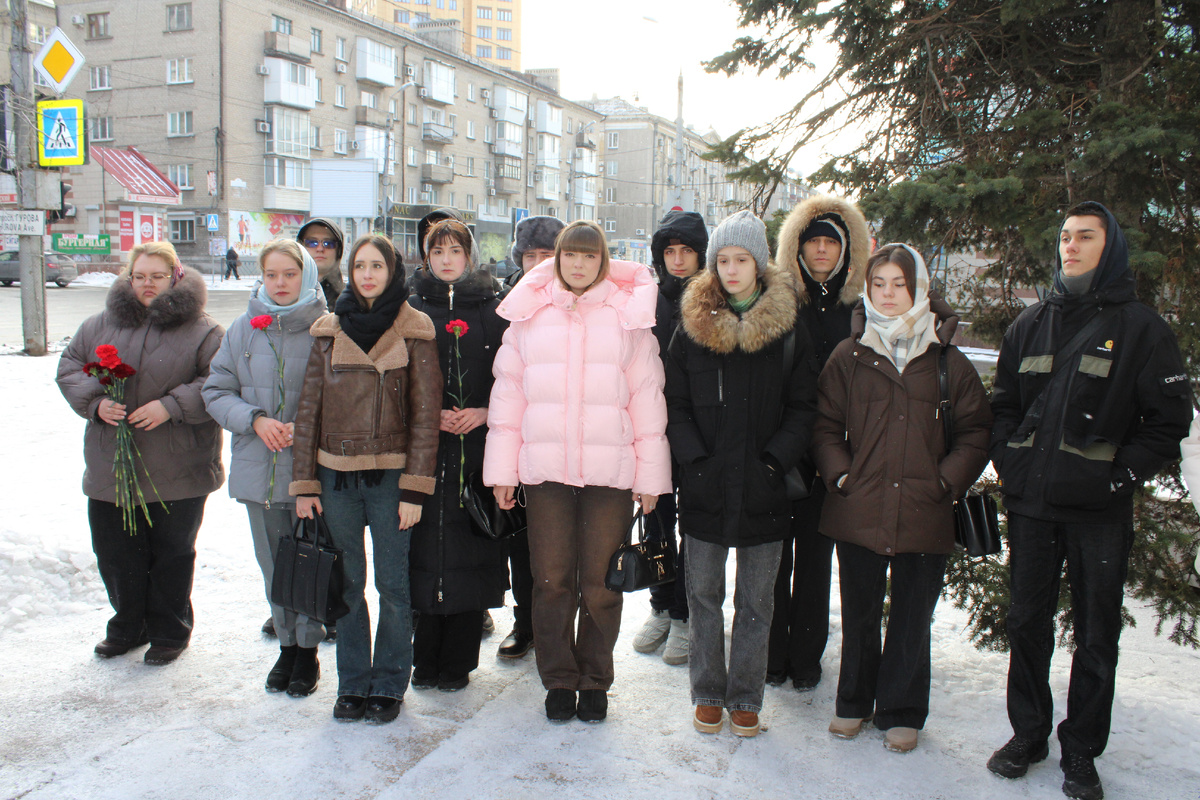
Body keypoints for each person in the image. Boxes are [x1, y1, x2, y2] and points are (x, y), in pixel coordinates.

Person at [986, 202, 1191, 800]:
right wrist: (1011, 460)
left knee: (1097, 635)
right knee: (1027, 625)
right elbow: (1002, 405)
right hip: (1031, 507)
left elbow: (1168, 421)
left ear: (1111, 246)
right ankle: (1028, 735)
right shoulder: (1030, 324)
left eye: (1085, 237)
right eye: (1065, 237)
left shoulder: (1142, 328)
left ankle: (1081, 750)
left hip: (1099, 513)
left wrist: (1118, 478)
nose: (1070, 247)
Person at [485, 220, 671, 723]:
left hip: (609, 475)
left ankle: (595, 678)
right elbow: (508, 398)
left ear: (603, 261)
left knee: (600, 583)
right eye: (572, 255)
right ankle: (559, 678)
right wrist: (503, 471)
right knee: (550, 581)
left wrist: (651, 480)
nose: (580, 264)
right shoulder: (530, 314)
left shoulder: (628, 316)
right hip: (546, 474)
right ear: (558, 260)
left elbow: (647, 400)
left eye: (591, 256)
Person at [812, 243, 991, 753]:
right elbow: (823, 425)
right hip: (859, 506)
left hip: (923, 509)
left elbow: (977, 431)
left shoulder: (946, 358)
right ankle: (853, 702)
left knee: (913, 616)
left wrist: (943, 483)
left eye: (899, 284)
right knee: (860, 613)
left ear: (919, 289)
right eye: (879, 284)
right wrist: (841, 476)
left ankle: (902, 709)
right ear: (867, 290)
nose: (889, 295)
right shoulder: (848, 355)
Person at [665, 209, 818, 738]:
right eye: (723, 260)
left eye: (742, 259)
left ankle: (746, 696)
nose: (732, 270)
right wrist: (696, 463)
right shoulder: (692, 328)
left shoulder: (788, 330)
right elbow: (675, 404)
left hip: (765, 486)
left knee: (757, 601)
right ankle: (708, 692)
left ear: (759, 262)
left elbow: (804, 409)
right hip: (706, 486)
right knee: (703, 596)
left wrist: (775, 462)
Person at [289, 234, 442, 724]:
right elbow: (308, 410)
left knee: (394, 586)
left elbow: (425, 415)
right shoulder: (329, 330)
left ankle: (390, 682)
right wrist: (304, 484)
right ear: (350, 272)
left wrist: (416, 487)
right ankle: (353, 682)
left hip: (391, 478)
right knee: (349, 585)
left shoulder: (416, 330)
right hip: (335, 479)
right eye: (360, 266)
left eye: (378, 265)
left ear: (393, 271)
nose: (368, 274)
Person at [56, 241, 224, 665]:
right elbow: (71, 366)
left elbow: (220, 381)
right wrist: (96, 403)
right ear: (128, 278)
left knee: (171, 552)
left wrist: (170, 406)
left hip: (178, 463)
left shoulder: (204, 330)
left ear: (176, 277)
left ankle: (169, 629)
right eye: (140, 275)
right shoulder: (100, 324)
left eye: (157, 276)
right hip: (112, 463)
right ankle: (128, 624)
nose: (148, 284)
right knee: (115, 551)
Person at [202, 239, 328, 697]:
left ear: (307, 275)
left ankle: (309, 650)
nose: (280, 283)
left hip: (311, 470)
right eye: (271, 274)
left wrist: (307, 426)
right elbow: (216, 390)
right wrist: (254, 419)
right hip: (259, 468)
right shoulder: (242, 329)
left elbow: (344, 394)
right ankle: (287, 646)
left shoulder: (327, 327)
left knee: (310, 563)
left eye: (290, 274)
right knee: (274, 565)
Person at [766, 194, 870, 690]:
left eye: (832, 242)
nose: (822, 251)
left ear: (847, 250)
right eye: (814, 243)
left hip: (835, 453)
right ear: (799, 250)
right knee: (772, 557)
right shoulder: (781, 301)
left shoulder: (859, 309)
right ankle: (771, 652)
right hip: (782, 447)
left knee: (815, 558)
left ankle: (807, 655)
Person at [406, 218, 509, 692]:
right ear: (426, 256)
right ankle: (424, 657)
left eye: (456, 251)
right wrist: (427, 415)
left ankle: (460, 660)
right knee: (426, 547)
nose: (447, 260)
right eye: (438, 251)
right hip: (426, 448)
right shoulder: (410, 307)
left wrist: (486, 411)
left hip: (478, 447)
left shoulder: (494, 307)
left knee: (470, 544)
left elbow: (514, 377)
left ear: (470, 256)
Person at [630, 209, 708, 667]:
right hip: (652, 427)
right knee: (655, 521)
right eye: (669, 252)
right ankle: (661, 605)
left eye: (687, 251)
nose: (678, 260)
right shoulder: (649, 298)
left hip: (697, 430)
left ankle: (687, 615)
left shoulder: (711, 297)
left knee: (695, 527)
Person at [494, 213, 565, 660]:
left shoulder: (576, 300)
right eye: (530, 255)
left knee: (560, 550)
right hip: (516, 435)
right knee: (521, 540)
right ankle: (526, 622)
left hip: (563, 440)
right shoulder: (504, 303)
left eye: (547, 254)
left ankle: (557, 627)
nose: (538, 263)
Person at [296, 217, 346, 311]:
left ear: (338, 251)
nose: (320, 249)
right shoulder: (285, 294)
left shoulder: (350, 300)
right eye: (311, 243)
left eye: (328, 244)